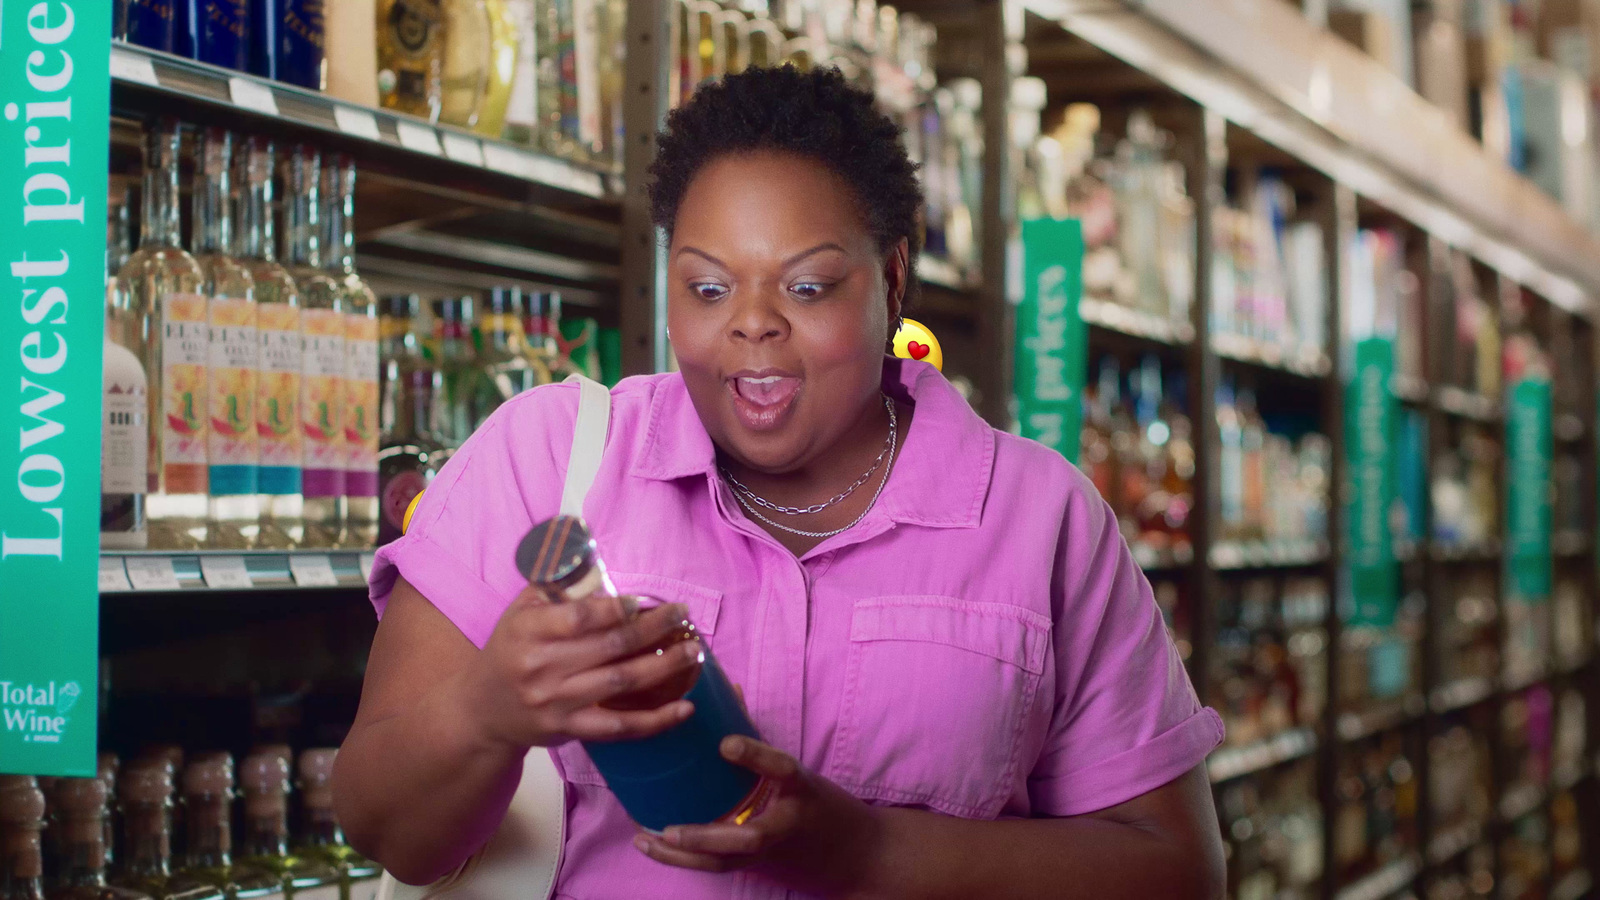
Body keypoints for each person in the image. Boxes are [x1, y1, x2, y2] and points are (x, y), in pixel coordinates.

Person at [333, 66, 1227, 899]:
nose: (752, 325)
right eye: (708, 287)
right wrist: (490, 709)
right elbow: (384, 829)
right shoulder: (549, 459)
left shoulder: (1041, 517)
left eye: (806, 287)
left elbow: (1178, 869)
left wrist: (868, 849)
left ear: (893, 277)